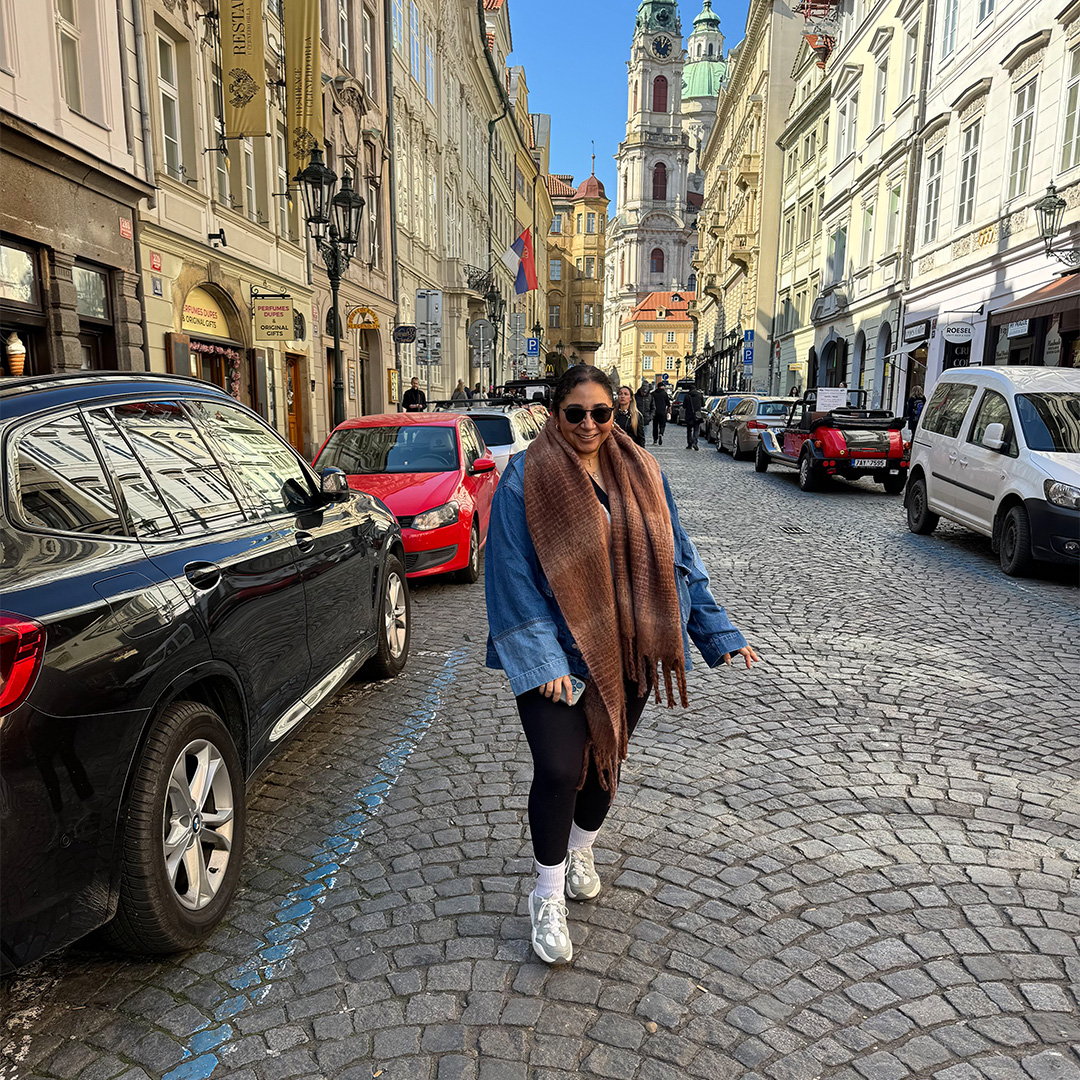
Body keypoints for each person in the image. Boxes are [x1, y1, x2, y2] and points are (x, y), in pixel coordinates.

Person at [485, 365, 759, 965]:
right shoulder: (525, 478)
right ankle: (547, 894)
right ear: (554, 414)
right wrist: (541, 659)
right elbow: (509, 572)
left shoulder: (643, 471)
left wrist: (718, 631)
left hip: (630, 644)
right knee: (560, 768)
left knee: (606, 760)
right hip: (558, 652)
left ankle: (581, 846)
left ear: (616, 415)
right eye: (576, 413)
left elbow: (679, 556)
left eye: (601, 413)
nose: (588, 424)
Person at [684, 385, 705, 450]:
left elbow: (684, 406)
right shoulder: (699, 395)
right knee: (696, 430)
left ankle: (689, 444)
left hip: (689, 415)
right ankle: (695, 442)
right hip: (697, 415)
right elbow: (703, 404)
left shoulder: (687, 396)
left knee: (689, 430)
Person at [651, 379, 670, 445]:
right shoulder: (664, 394)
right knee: (662, 424)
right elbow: (668, 403)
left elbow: (650, 403)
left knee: (655, 426)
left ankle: (655, 440)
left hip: (655, 412)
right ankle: (661, 433)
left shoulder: (653, 394)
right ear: (662, 387)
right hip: (662, 412)